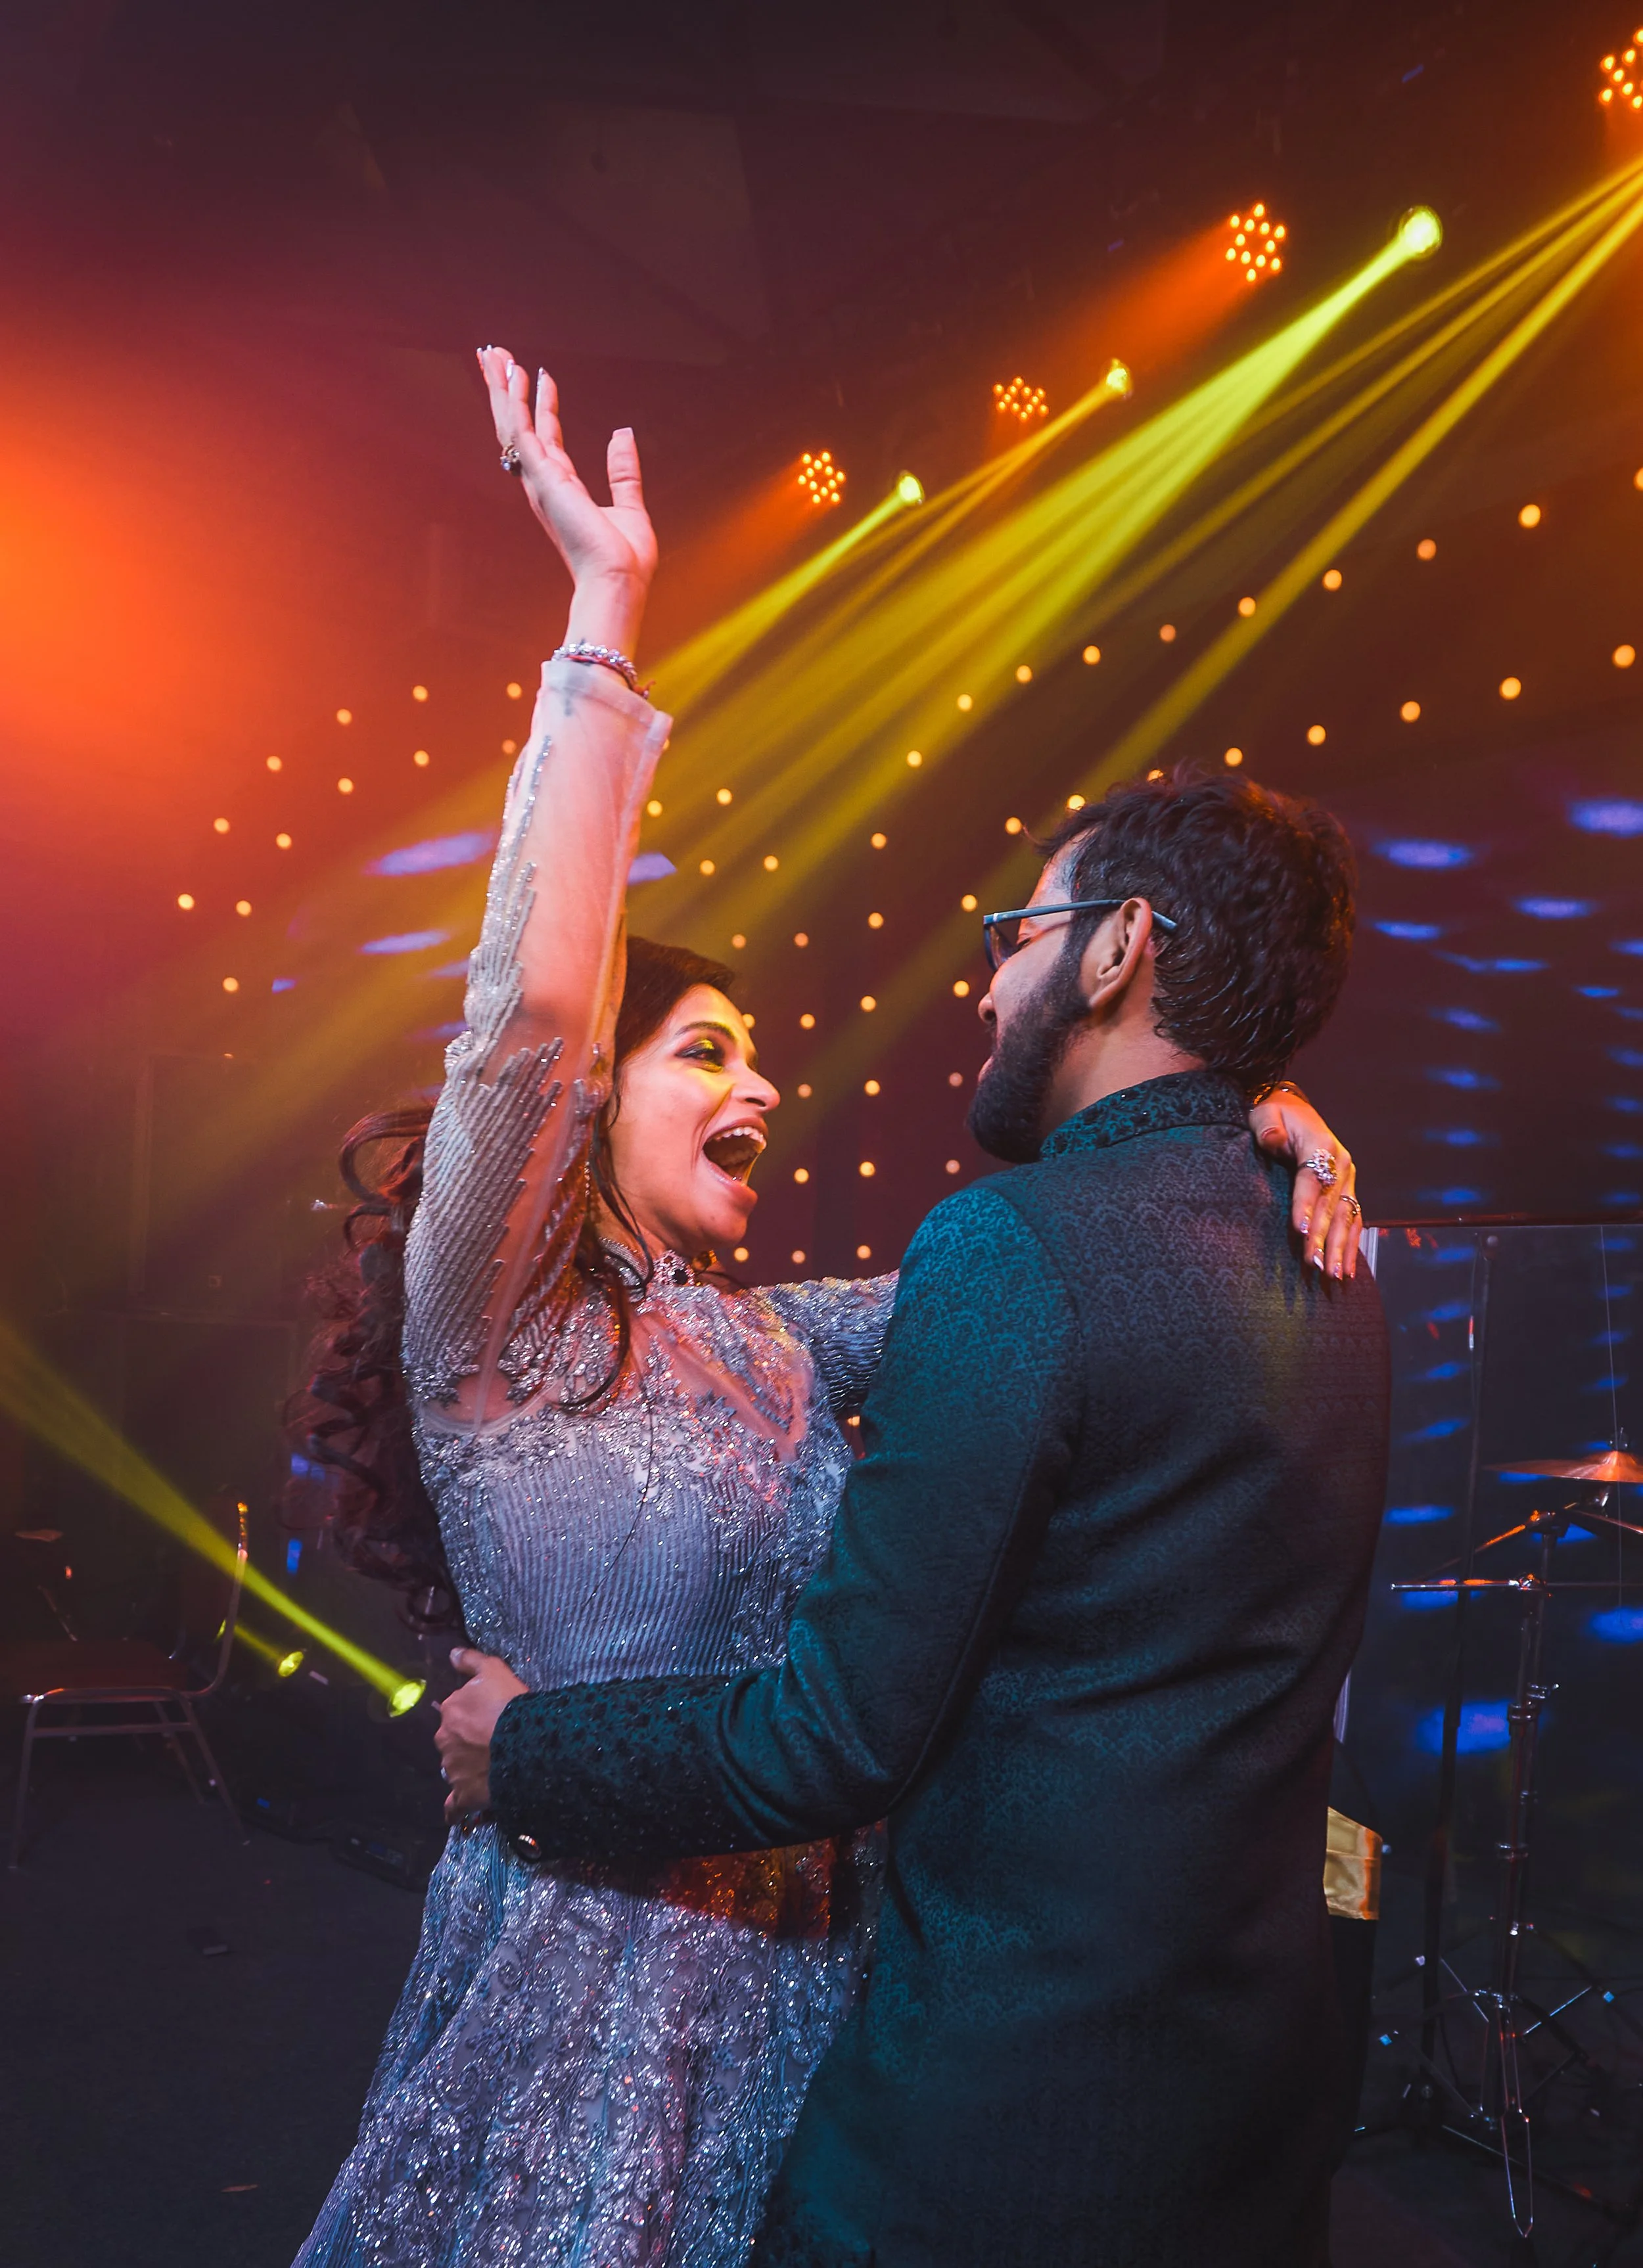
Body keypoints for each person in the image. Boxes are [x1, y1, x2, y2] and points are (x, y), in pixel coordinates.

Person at [294, 348, 1365, 2268]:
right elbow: (525, 1023)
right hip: (594, 2001)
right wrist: (601, 627)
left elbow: (1074, 1260)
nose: (764, 1086)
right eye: (707, 1047)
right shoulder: (493, 1337)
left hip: (823, 2013)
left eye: (765, 1052)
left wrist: (1244, 1103)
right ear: (588, 1102)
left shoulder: (780, 1332)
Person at [436, 769, 1390, 2267]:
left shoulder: (971, 1264)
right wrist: (1247, 1104)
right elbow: (515, 1052)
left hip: (986, 2095)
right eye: (707, 1054)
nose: (988, 982)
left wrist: (523, 1748)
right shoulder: (1322, 1253)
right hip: (1228, 2085)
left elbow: (838, 1735)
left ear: (1115, 946)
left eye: (1016, 933)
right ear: (587, 1095)